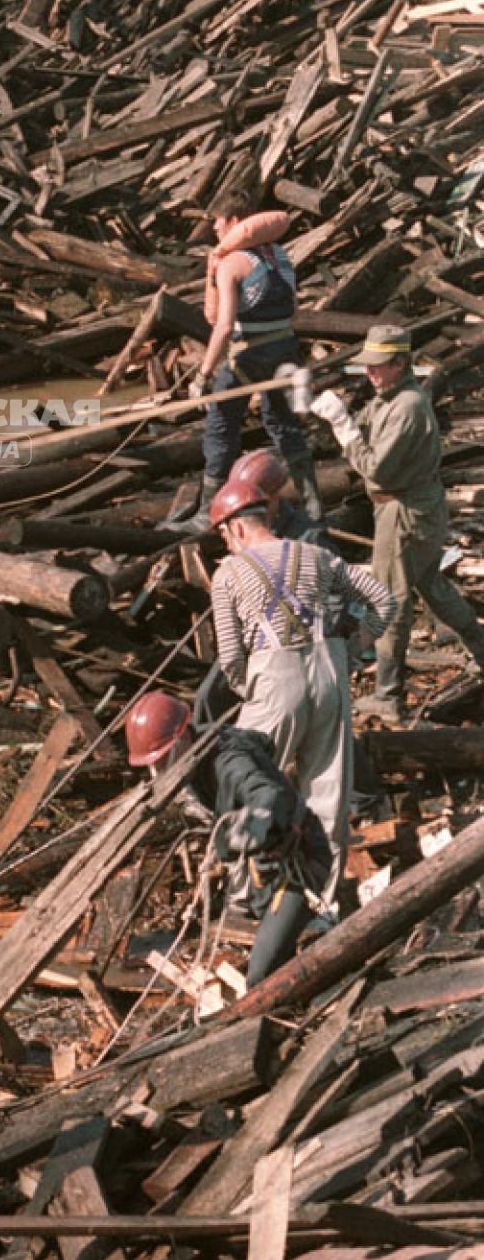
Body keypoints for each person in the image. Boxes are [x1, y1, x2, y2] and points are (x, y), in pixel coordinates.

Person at [207, 473, 396, 906]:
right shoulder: (316, 555)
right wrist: (353, 650)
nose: (224, 543)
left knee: (244, 774)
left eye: (222, 534)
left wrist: (250, 691)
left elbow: (231, 655)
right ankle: (321, 902)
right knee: (328, 795)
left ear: (235, 526)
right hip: (331, 675)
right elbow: (384, 600)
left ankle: (244, 889)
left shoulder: (230, 573)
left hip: (274, 680)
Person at [311, 322, 484, 723]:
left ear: (401, 363)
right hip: (413, 508)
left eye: (379, 366)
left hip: (403, 513)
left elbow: (377, 469)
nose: (371, 372)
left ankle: (388, 694)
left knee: (391, 599)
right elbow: (371, 425)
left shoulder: (407, 406)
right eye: (368, 366)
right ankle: (480, 648)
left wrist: (342, 427)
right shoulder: (390, 397)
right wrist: (343, 411)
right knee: (432, 585)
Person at [125, 690, 332, 986]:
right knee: (267, 931)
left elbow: (266, 794)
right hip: (264, 868)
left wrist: (256, 819)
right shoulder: (198, 755)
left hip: (299, 864)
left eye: (160, 762)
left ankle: (316, 942)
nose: (157, 772)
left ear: (182, 738)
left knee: (262, 973)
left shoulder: (230, 761)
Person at [171, 193, 320, 533]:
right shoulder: (281, 256)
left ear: (235, 222)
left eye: (218, 223)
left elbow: (223, 326)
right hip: (285, 351)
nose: (215, 230)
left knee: (221, 425)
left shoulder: (231, 263)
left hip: (249, 355)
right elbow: (293, 312)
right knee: (282, 422)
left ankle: (205, 514)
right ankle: (313, 504)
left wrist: (203, 375)